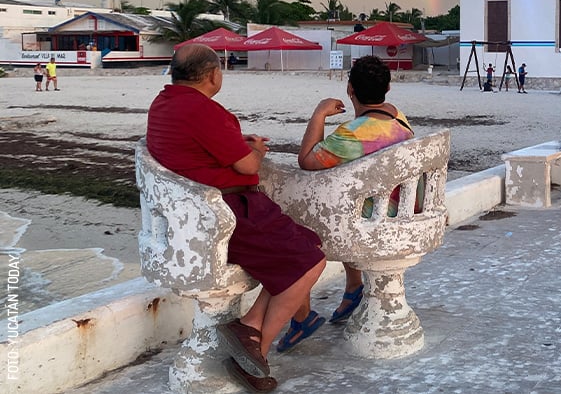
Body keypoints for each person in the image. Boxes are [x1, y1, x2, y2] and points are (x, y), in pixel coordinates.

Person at [146, 44, 326, 391]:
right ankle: (257, 352)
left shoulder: (164, 104)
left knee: (307, 245)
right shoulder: (204, 111)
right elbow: (247, 166)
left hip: (191, 216)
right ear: (214, 75)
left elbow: (195, 146)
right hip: (228, 213)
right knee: (311, 262)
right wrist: (256, 149)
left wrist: (235, 141)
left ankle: (251, 325)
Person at [297, 55, 415, 325]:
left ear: (350, 89)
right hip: (407, 209)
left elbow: (306, 161)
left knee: (324, 211)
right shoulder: (397, 116)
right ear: (388, 88)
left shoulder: (351, 134)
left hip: (377, 219)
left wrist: (319, 113)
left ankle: (304, 312)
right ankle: (353, 286)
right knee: (347, 199)